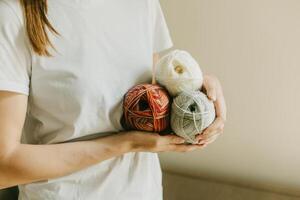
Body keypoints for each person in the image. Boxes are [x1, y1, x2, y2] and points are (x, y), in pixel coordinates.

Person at [0, 0, 227, 199]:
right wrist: (124, 144)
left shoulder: (141, 4)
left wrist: (197, 90)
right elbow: (4, 166)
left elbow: (152, 105)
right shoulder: (12, 14)